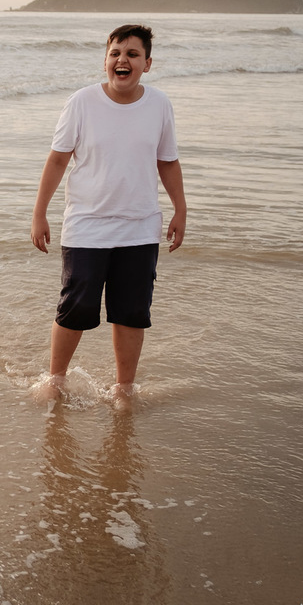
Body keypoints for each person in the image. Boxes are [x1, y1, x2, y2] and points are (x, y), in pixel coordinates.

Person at [30, 24, 187, 403]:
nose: (123, 60)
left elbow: (168, 162)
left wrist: (180, 209)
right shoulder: (81, 102)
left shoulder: (159, 105)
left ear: (147, 64)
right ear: (105, 61)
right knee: (76, 306)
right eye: (116, 53)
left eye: (133, 55)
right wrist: (40, 213)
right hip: (87, 226)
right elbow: (57, 160)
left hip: (140, 227)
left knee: (131, 312)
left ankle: (124, 388)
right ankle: (56, 379)